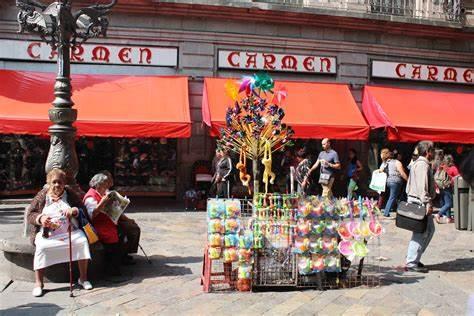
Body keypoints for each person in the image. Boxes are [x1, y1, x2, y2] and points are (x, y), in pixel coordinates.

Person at [26, 168, 92, 297]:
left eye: (60, 182)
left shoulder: (70, 193)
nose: (57, 185)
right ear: (49, 182)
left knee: (82, 241)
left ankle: (83, 278)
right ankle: (39, 283)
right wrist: (41, 218)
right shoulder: (42, 195)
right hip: (48, 234)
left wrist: (74, 210)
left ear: (64, 183)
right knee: (42, 247)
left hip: (70, 232)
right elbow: (30, 214)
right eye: (54, 182)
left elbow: (82, 209)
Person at [405, 141, 436, 273]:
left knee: (429, 230)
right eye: (433, 150)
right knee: (421, 232)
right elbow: (422, 187)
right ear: (428, 151)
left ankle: (414, 257)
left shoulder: (417, 163)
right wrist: (427, 203)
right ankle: (412, 261)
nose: (434, 153)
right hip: (420, 202)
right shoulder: (423, 165)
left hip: (417, 200)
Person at [83, 173, 122, 276]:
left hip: (107, 222)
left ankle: (117, 263)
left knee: (122, 230)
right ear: (98, 185)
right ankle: (112, 269)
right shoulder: (90, 197)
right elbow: (92, 214)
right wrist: (103, 202)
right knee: (111, 237)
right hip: (98, 225)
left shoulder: (103, 193)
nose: (107, 187)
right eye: (104, 185)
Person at [100, 170, 141, 263]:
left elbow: (117, 211)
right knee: (132, 229)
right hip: (110, 220)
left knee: (134, 227)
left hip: (114, 218)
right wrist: (128, 220)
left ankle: (126, 253)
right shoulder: (105, 193)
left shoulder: (109, 191)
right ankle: (123, 255)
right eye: (109, 179)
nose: (111, 181)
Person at [381, 150, 408, 218]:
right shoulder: (397, 162)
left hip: (388, 181)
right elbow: (402, 173)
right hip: (395, 182)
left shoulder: (386, 163)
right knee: (392, 197)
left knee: (393, 197)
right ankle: (386, 212)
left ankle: (394, 210)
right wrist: (408, 180)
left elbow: (381, 170)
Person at [435, 154, 459, 224]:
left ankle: (448, 218)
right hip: (447, 187)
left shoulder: (442, 167)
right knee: (449, 203)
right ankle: (438, 214)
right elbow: (458, 176)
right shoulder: (453, 168)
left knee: (446, 202)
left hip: (441, 187)